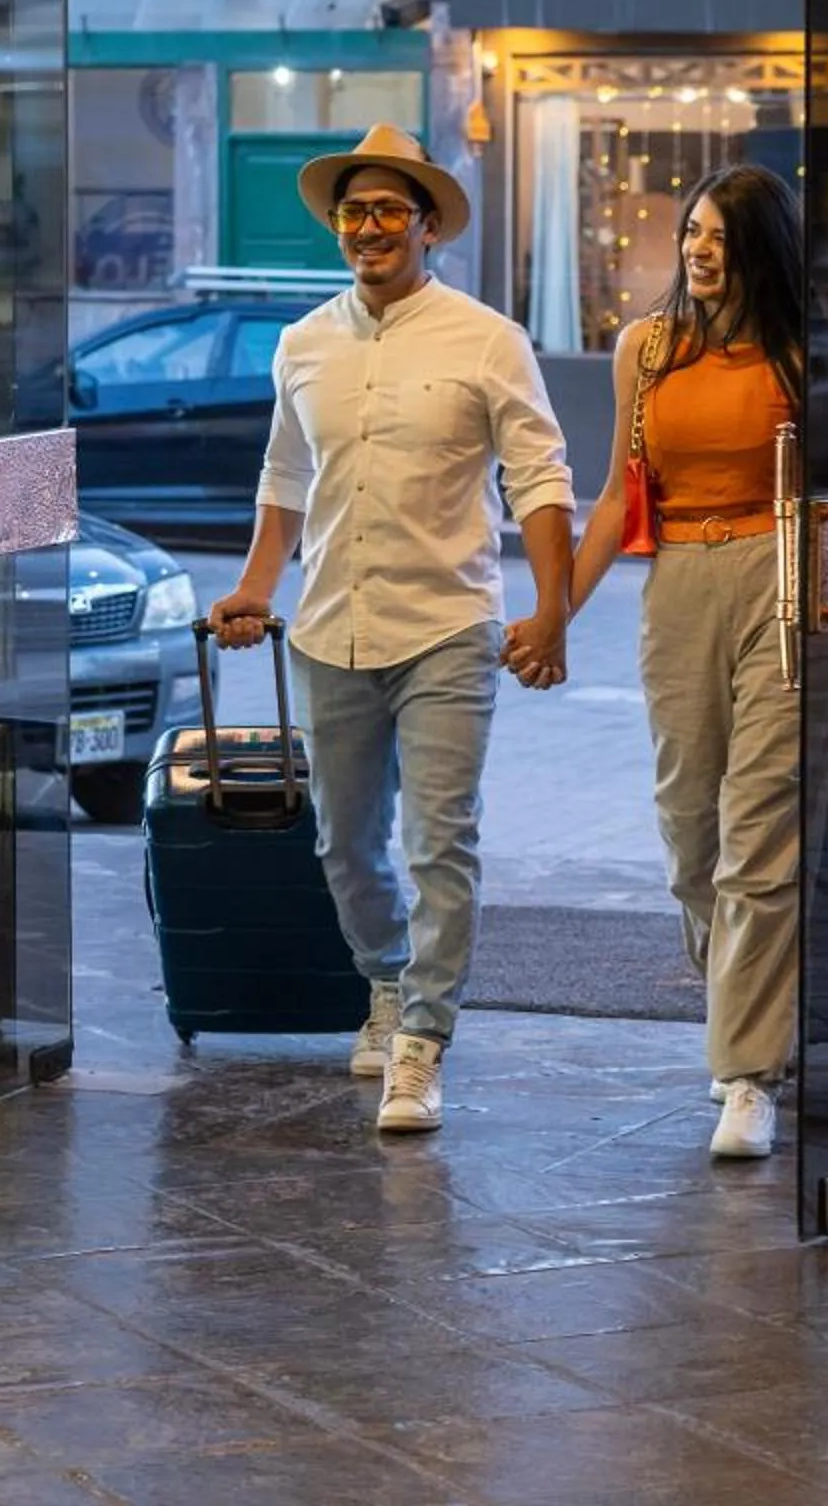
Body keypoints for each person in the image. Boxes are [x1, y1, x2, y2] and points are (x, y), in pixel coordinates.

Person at [206, 123, 576, 1136]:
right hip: (330, 623)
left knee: (439, 838)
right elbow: (284, 479)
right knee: (342, 842)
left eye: (388, 211)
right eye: (354, 211)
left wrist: (552, 608)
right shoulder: (303, 344)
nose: (370, 227)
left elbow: (540, 476)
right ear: (338, 227)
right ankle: (384, 977)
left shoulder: (488, 338)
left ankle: (422, 1040)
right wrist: (252, 586)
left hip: (449, 624)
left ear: (426, 226)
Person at [570, 165, 805, 1162]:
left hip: (776, 577)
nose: (702, 248)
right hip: (675, 585)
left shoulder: (798, 356)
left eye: (723, 234)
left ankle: (746, 1071)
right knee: (688, 829)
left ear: (761, 248)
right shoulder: (648, 349)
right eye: (695, 230)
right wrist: (551, 616)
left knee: (759, 836)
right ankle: (743, 1011)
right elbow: (619, 497)